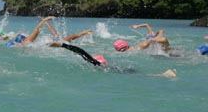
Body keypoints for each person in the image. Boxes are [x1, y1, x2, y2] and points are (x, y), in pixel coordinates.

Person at [49, 41, 177, 78]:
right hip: (120, 69)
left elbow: (81, 52)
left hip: (119, 71)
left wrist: (62, 45)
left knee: (146, 76)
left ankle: (165, 74)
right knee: (141, 74)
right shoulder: (105, 65)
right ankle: (164, 74)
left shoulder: (97, 65)